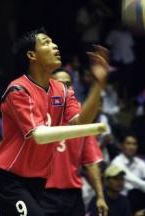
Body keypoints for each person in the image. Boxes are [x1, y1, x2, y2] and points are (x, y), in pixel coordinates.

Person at [0, 28, 109, 216]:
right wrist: (77, 129)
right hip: (10, 179)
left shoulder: (62, 90)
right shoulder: (19, 89)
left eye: (53, 42)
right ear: (32, 55)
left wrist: (98, 85)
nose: (54, 46)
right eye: (46, 43)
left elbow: (81, 123)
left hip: (37, 180)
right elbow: (39, 135)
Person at [40, 68, 108, 216]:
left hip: (72, 195)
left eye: (68, 84)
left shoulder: (80, 122)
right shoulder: (38, 113)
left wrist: (100, 196)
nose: (65, 88)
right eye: (60, 84)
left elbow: (90, 162)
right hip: (42, 194)